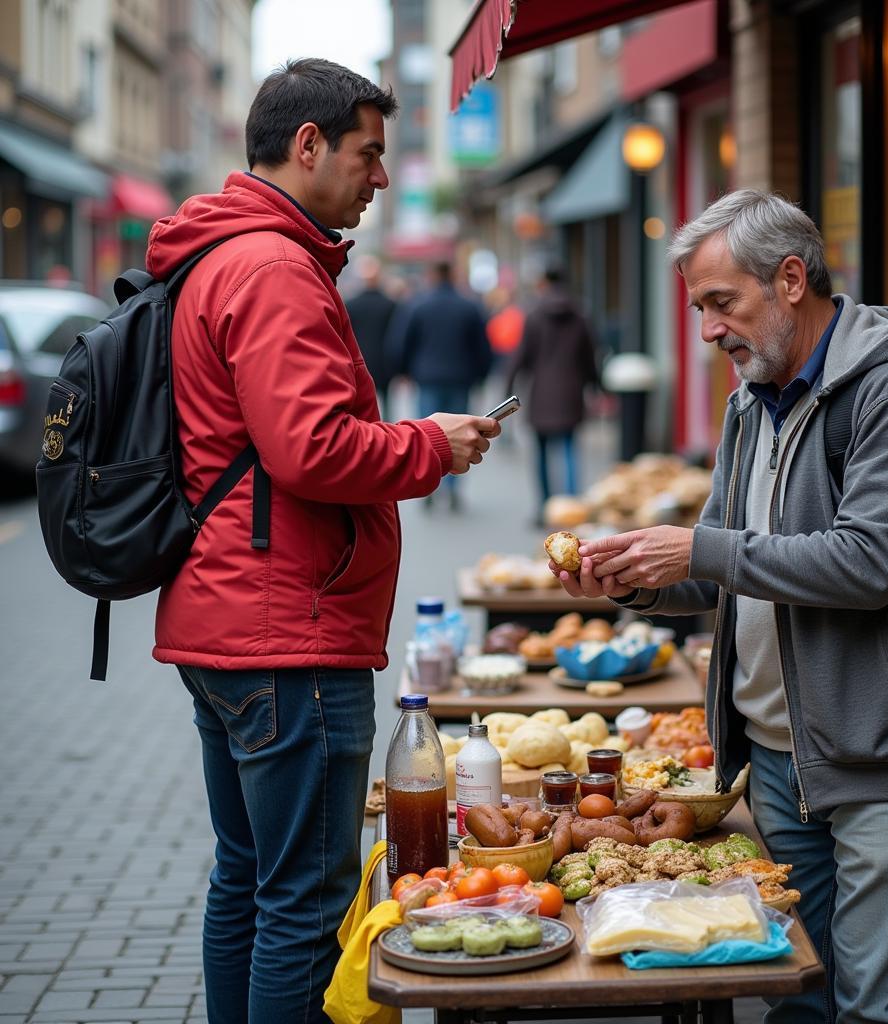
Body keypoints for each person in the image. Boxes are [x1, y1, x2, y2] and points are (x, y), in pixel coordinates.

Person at [551, 189, 888, 1024]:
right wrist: (635, 580)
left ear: (792, 279)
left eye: (722, 304)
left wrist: (696, 547)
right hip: (780, 759)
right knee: (797, 994)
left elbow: (867, 564)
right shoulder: (750, 403)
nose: (707, 331)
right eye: (697, 308)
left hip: (887, 759)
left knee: (874, 1005)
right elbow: (731, 569)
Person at [144, 58, 498, 1024]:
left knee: (248, 885)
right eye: (368, 154)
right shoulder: (271, 266)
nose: (380, 179)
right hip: (287, 630)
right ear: (308, 147)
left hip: (232, 617)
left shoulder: (225, 253)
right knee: (304, 904)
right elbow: (309, 449)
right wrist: (433, 443)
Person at [391, 260, 493, 510]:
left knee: (431, 433)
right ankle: (454, 487)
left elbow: (401, 341)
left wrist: (403, 371)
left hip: (427, 378)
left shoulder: (418, 304)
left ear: (432, 275)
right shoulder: (469, 306)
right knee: (461, 434)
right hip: (460, 378)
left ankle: (430, 485)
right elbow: (483, 347)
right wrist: (481, 376)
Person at [504, 267, 599, 524]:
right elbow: (589, 357)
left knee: (542, 454)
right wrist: (596, 385)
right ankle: (571, 509)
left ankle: (545, 508)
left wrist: (508, 387)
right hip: (570, 392)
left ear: (544, 283)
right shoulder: (579, 316)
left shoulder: (534, 316)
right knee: (568, 448)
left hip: (542, 395)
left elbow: (521, 356)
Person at [345, 254, 398, 418]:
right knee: (388, 403)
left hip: (360, 360)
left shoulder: (351, 304)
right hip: (385, 360)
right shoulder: (391, 304)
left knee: (363, 404)